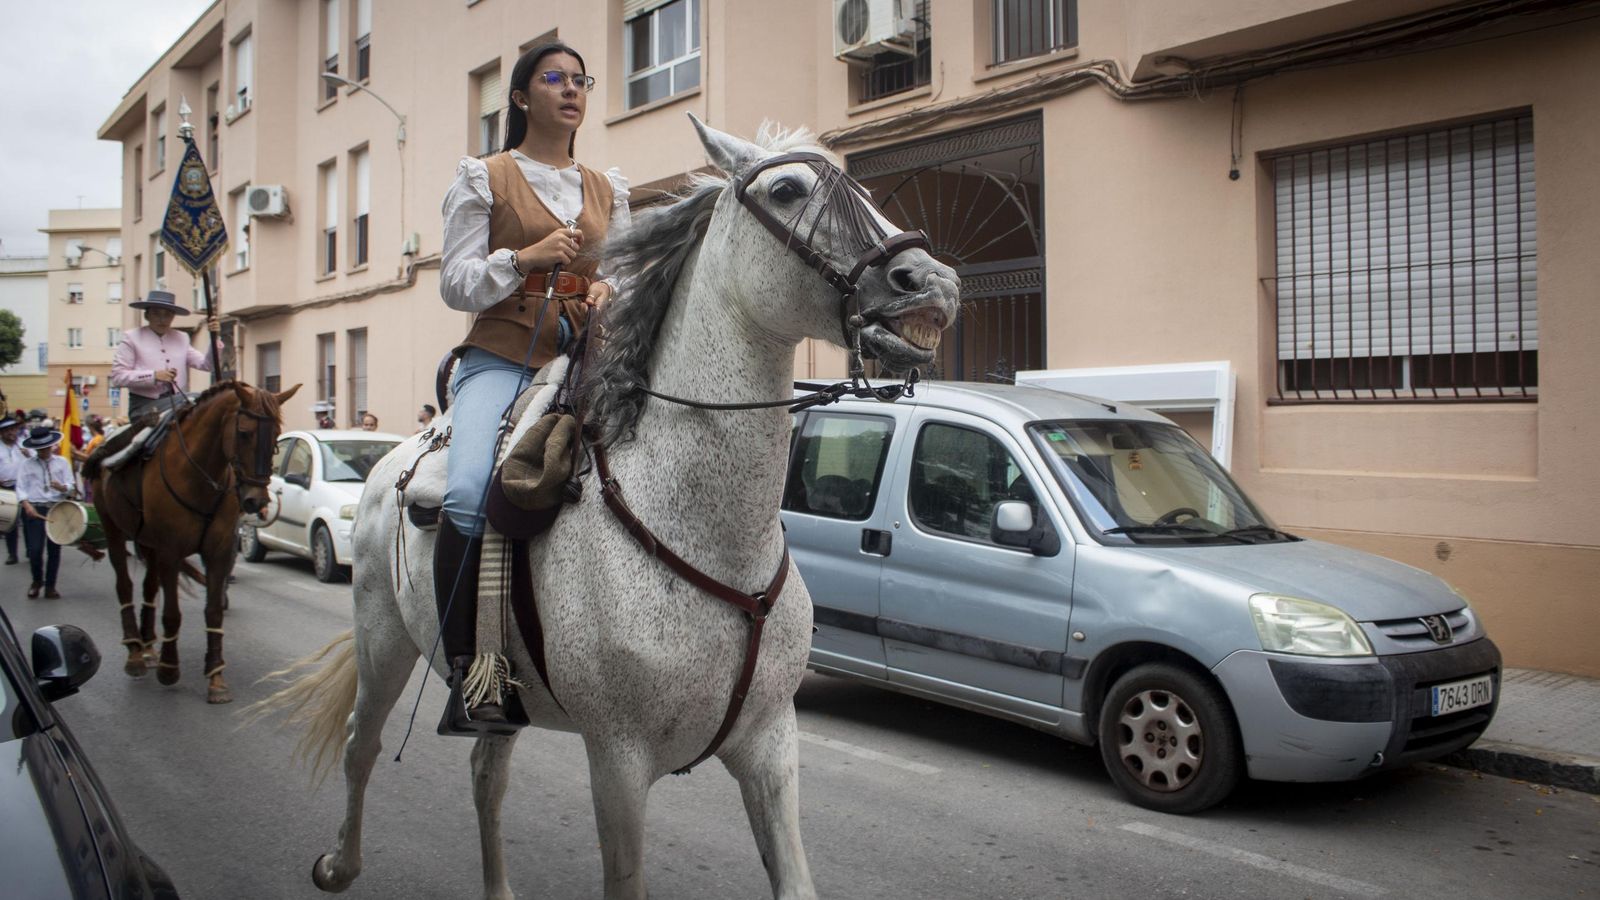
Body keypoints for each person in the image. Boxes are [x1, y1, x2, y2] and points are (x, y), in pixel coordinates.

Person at [435, 40, 629, 734]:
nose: (572, 89)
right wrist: (524, 258)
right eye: (555, 79)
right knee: (464, 493)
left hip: (585, 360)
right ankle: (471, 670)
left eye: (581, 79)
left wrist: (610, 286)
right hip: (503, 353)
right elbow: (454, 282)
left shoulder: (609, 188)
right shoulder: (485, 176)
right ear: (521, 98)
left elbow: (627, 271)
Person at [110, 290, 223, 420]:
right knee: (195, 399)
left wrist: (215, 337)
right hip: (144, 406)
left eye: (167, 315)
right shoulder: (132, 338)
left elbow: (207, 365)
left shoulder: (181, 338)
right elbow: (118, 377)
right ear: (147, 315)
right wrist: (154, 376)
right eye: (156, 314)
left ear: (173, 317)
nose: (162, 319)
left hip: (178, 403)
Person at [16, 425, 74, 599]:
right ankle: (36, 581)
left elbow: (70, 486)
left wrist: (62, 487)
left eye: (46, 447)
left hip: (56, 508)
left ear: (52, 445)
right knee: (34, 550)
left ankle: (50, 586)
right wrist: (27, 505)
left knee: (54, 550)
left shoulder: (62, 462)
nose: (43, 451)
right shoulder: (26, 464)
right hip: (35, 508)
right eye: (39, 448)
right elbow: (20, 487)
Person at [0, 414, 32, 565]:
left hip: (24, 487)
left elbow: (35, 461)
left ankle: (30, 550)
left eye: (14, 429)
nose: (12, 433)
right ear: (2, 432)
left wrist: (28, 454)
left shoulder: (23, 444)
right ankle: (12, 554)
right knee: (9, 521)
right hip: (6, 488)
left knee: (28, 521)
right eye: (8, 430)